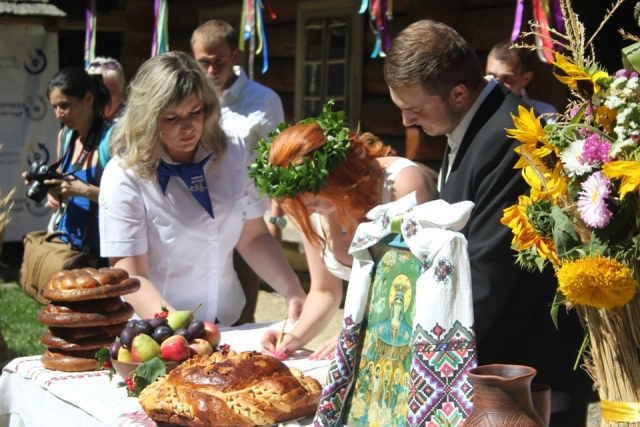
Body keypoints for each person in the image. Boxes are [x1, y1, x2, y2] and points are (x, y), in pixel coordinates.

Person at [383, 19, 594, 424]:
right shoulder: (472, 124)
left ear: (459, 94)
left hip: (525, 370)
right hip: (500, 358)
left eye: (414, 109)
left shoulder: (506, 135)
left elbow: (486, 268)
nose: (407, 122)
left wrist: (425, 352)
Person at [98, 51, 306, 325]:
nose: (187, 127)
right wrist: (182, 331)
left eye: (195, 112)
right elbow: (131, 275)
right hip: (156, 329)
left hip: (226, 317)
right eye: (171, 118)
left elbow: (253, 236)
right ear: (147, 118)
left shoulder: (232, 151)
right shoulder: (124, 174)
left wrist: (293, 292)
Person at [254, 102, 438, 359]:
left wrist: (359, 330)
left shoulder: (402, 185)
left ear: (339, 179)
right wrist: (294, 337)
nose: (310, 213)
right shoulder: (312, 208)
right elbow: (325, 291)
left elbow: (418, 281)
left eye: (315, 202)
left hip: (420, 336)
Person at [191, 20, 286, 325]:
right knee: (197, 317)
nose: (210, 71)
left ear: (234, 56)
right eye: (202, 62)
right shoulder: (190, 101)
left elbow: (278, 167)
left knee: (240, 317)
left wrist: (276, 219)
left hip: (246, 224)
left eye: (218, 61)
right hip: (196, 223)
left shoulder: (264, 101)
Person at [24, 66, 113, 266]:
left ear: (88, 99)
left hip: (103, 252)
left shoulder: (113, 139)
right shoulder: (65, 136)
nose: (58, 114)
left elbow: (133, 200)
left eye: (64, 105)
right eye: (54, 107)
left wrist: (86, 191)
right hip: (68, 245)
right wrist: (51, 190)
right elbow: (66, 184)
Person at [486, 40, 558, 122]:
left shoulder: (544, 114)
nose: (497, 84)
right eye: (491, 76)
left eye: (506, 78)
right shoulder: (477, 111)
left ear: (526, 79)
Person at [86, 57, 125, 121]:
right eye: (96, 89)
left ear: (121, 92)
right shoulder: (76, 125)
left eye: (109, 90)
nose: (102, 95)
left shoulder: (129, 126)